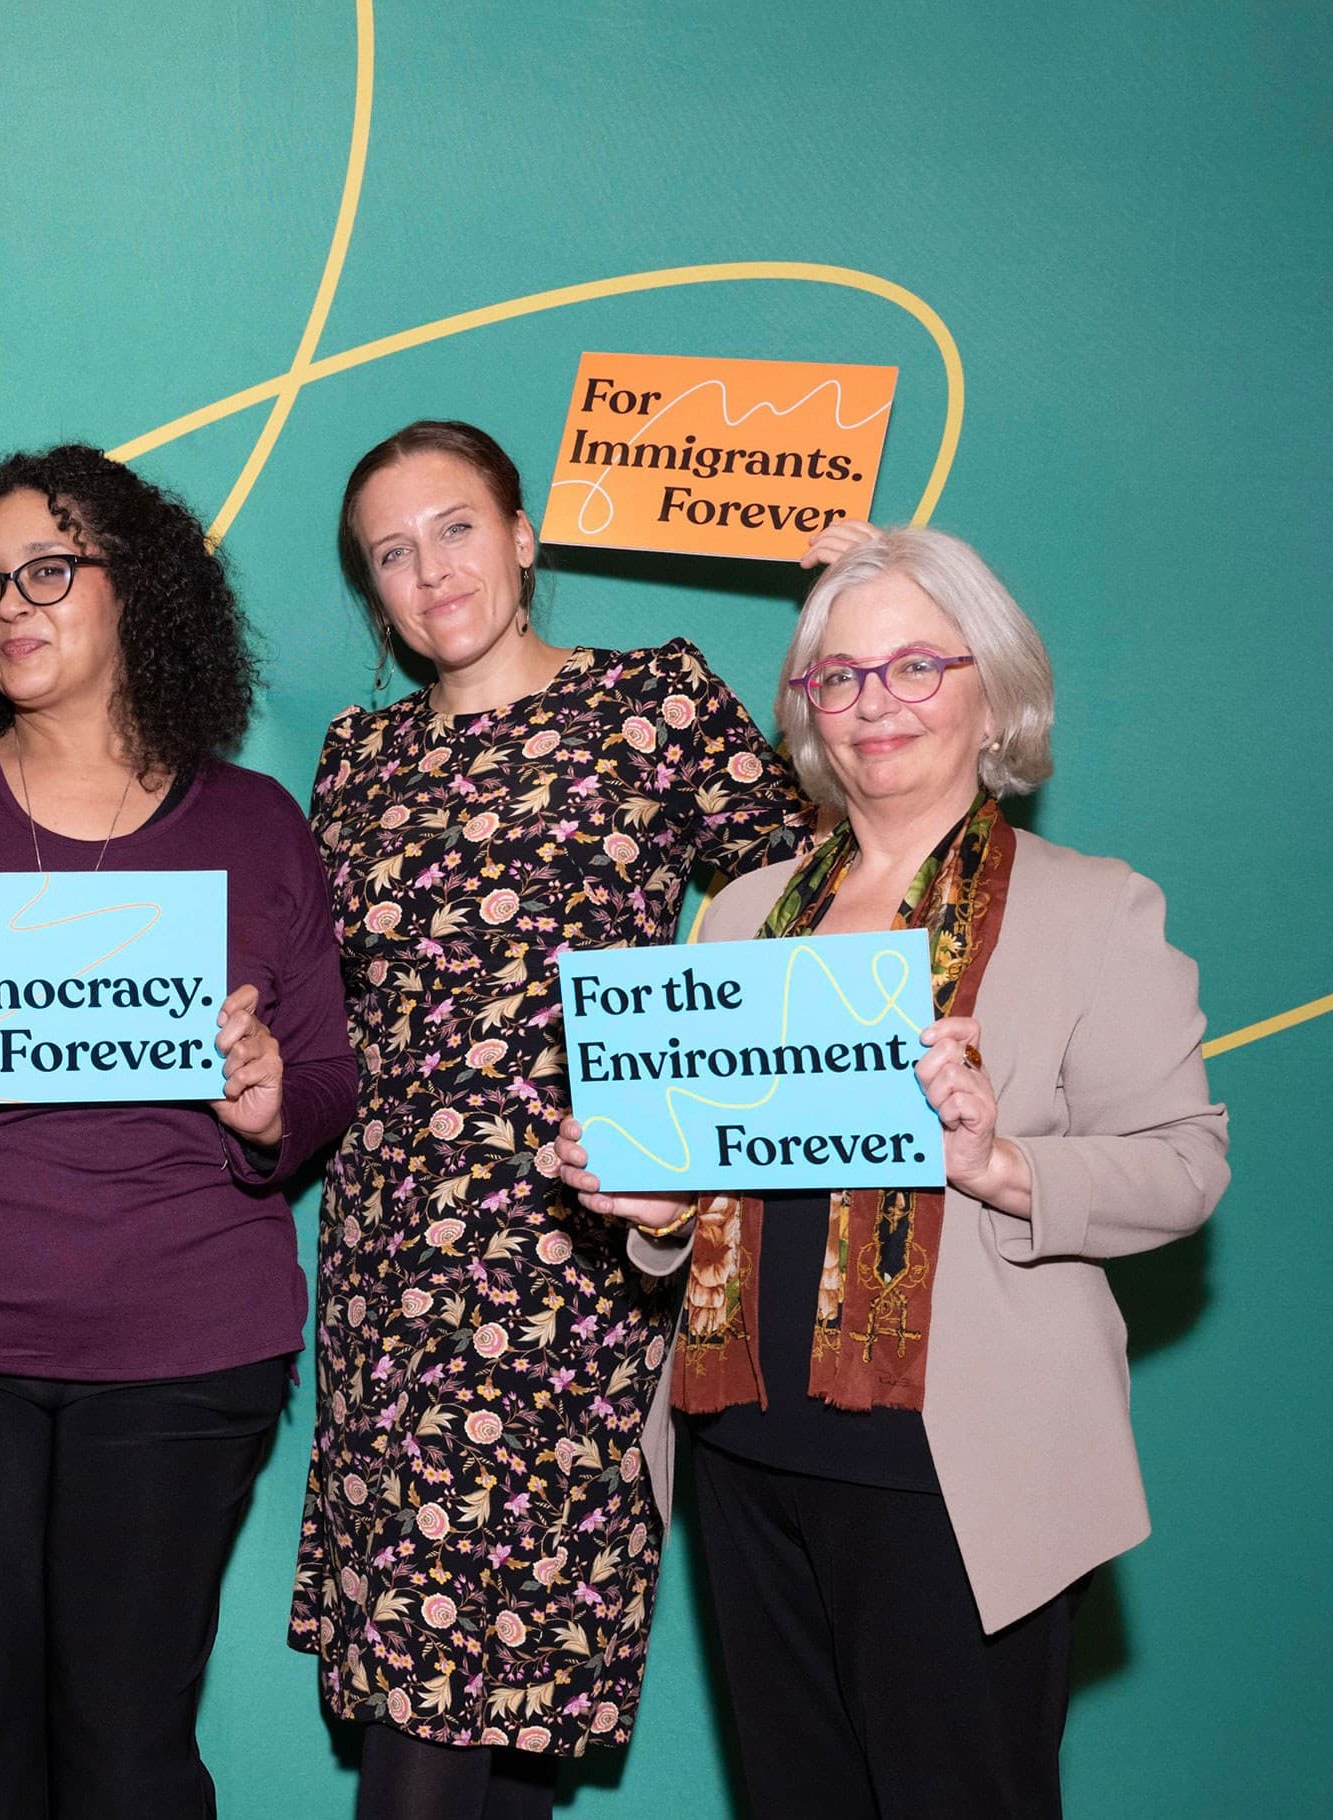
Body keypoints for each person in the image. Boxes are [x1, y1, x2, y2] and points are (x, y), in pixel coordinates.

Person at [559, 522, 1230, 1820]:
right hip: (747, 1448)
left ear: (997, 692)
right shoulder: (745, 910)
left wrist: (1001, 1160)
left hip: (959, 1467)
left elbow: (1184, 1167)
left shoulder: (1096, 908)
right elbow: (717, 1189)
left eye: (918, 666)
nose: (877, 705)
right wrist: (651, 1208)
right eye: (842, 677)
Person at [0, 444, 357, 1820]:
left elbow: (328, 1073)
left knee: (128, 1756)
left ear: (139, 590)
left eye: (49, 569)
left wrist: (271, 1107)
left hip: (181, 1346)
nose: (12, 604)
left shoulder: (253, 821)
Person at [291, 420, 811, 1817]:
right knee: (439, 1692)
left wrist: (703, 1112)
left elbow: (813, 909)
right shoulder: (356, 758)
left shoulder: (654, 702)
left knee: (518, 1696)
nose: (429, 570)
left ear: (525, 537)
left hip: (579, 1261)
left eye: (455, 527)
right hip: (392, 1277)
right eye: (389, 554)